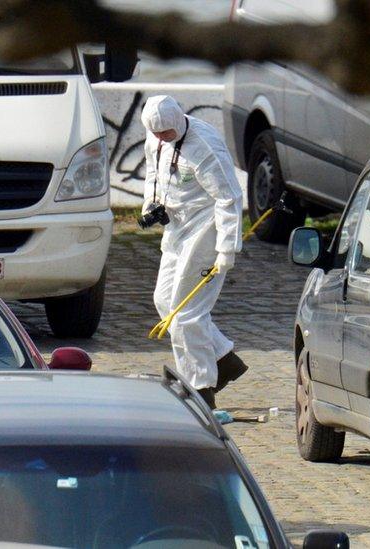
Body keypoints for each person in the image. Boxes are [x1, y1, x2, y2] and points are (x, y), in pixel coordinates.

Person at [141, 95, 248, 409]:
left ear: (178, 122)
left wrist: (226, 249)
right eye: (156, 134)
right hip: (177, 225)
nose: (161, 139)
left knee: (186, 314)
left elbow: (229, 197)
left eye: (167, 134)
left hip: (206, 229)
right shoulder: (156, 138)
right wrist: (151, 204)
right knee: (164, 300)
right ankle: (224, 361)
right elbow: (153, 173)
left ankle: (200, 388)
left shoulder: (204, 148)